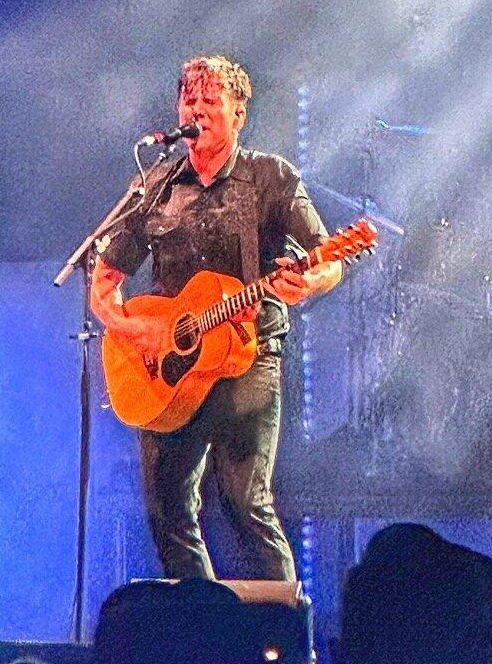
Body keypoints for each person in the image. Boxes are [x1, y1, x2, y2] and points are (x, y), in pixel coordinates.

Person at [88, 55, 342, 584]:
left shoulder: (271, 179)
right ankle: (203, 632)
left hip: (247, 358)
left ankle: (290, 645)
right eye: (189, 100)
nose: (197, 111)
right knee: (167, 510)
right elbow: (106, 280)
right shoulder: (157, 185)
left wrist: (309, 281)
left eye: (211, 102)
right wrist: (139, 328)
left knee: (244, 503)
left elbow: (330, 258)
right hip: (169, 365)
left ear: (239, 114)